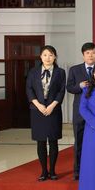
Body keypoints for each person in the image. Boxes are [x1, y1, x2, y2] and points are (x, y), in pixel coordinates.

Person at [25, 45, 66, 181]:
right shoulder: (33, 72)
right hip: (37, 110)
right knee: (41, 141)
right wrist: (38, 105)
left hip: (53, 110)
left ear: (55, 57)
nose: (48, 58)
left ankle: (53, 170)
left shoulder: (60, 72)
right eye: (45, 55)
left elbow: (61, 91)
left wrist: (52, 105)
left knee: (53, 141)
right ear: (40, 57)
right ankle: (43, 171)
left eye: (51, 55)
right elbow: (29, 89)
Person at [66, 42, 95, 180]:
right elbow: (69, 88)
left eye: (93, 53)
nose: (90, 55)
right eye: (87, 53)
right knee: (79, 142)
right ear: (83, 55)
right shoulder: (75, 70)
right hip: (80, 112)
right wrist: (79, 86)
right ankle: (78, 171)